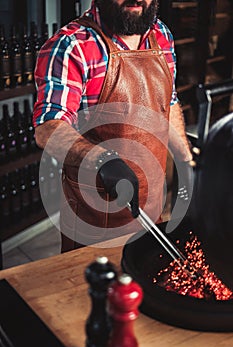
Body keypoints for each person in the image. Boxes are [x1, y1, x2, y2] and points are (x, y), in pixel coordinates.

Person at [33, 0, 193, 252]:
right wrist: (101, 159)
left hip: (152, 206)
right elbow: (48, 127)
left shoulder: (161, 34)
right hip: (97, 218)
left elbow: (168, 101)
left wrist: (187, 161)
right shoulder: (72, 45)